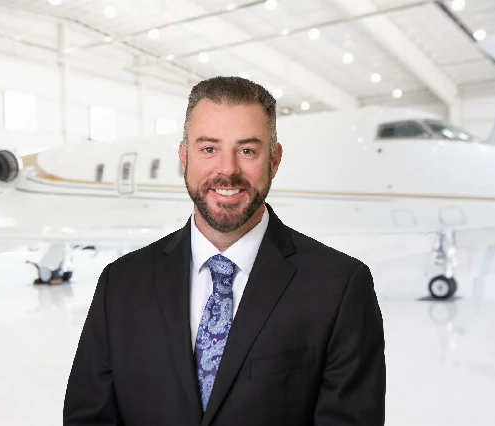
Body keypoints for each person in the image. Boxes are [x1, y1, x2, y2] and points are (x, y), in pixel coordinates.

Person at [63, 76, 385, 425]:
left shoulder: (339, 287)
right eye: (208, 149)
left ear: (274, 160)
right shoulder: (120, 284)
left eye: (247, 150)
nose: (227, 170)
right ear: (184, 157)